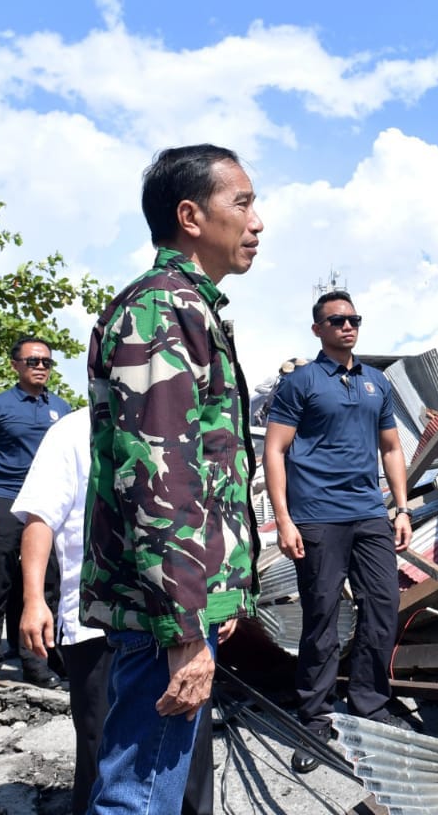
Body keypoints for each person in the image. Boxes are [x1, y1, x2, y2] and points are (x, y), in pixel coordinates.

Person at [83, 144, 263, 813]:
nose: (257, 221)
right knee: (137, 797)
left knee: (147, 785)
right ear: (191, 215)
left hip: (179, 603)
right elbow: (159, 477)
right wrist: (186, 630)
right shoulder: (162, 310)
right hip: (169, 612)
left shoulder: (190, 308)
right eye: (241, 202)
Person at [16, 407, 217, 815]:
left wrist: (219, 603)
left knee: (188, 764)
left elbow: (205, 518)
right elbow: (41, 518)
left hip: (181, 624)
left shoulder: (182, 422)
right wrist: (34, 599)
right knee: (105, 763)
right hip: (97, 624)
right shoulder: (72, 430)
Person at [264, 289, 412, 773]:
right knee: (323, 616)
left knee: (383, 606)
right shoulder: (302, 382)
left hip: (369, 512)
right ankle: (315, 718)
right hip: (318, 516)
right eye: (336, 320)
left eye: (353, 319)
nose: (347, 326)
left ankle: (370, 704)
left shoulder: (375, 383)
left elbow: (391, 448)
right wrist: (284, 519)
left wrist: (402, 508)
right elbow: (275, 451)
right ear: (318, 330)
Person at [0, 337, 70, 688]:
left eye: (47, 361)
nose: (41, 367)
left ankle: (38, 665)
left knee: (47, 585)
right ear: (16, 365)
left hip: (45, 503)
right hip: (4, 497)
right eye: (33, 361)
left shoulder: (61, 408)